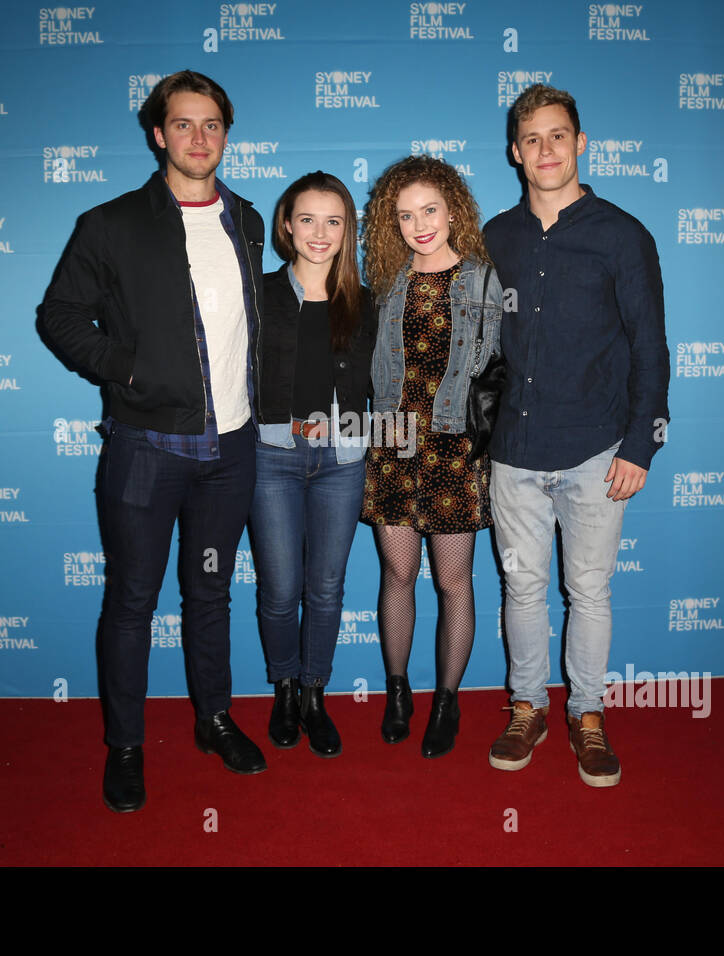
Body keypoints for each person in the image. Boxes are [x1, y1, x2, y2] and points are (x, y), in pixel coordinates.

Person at [38, 69, 268, 814]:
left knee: (209, 593)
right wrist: (125, 367)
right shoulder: (110, 225)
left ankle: (214, 719)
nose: (200, 138)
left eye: (213, 125)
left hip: (229, 454)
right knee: (132, 599)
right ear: (158, 134)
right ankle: (127, 746)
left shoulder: (249, 219)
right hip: (145, 451)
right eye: (185, 124)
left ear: (225, 135)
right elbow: (60, 316)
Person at [482, 84, 670, 786]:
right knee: (523, 589)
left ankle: (587, 716)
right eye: (531, 139)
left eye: (558, 135)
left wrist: (639, 445)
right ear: (515, 152)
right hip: (514, 453)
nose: (545, 150)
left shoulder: (622, 235)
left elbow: (650, 347)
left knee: (588, 591)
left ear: (580, 142)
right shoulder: (496, 237)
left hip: (597, 449)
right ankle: (526, 707)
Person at [361, 155, 503, 758]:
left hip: (453, 450)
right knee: (397, 574)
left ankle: (446, 701)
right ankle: (398, 693)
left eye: (430, 210)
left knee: (453, 582)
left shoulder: (482, 280)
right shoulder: (386, 282)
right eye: (405, 215)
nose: (419, 224)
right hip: (393, 442)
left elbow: (500, 372)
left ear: (453, 211)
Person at [249, 171, 377, 758]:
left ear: (347, 230)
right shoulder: (261, 293)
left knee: (325, 590)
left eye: (334, 221)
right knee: (279, 590)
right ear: (286, 225)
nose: (319, 233)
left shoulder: (364, 301)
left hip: (344, 460)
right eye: (307, 219)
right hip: (272, 456)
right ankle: (282, 689)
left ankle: (314, 694)